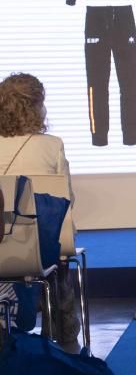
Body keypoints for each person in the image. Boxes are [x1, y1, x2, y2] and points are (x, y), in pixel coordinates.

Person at [0, 73, 80, 350]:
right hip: (40, 252)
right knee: (59, 258)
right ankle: (65, 338)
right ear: (37, 107)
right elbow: (65, 200)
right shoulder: (51, 146)